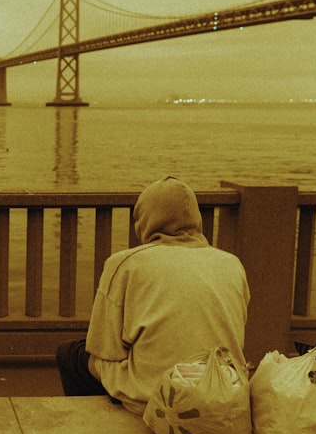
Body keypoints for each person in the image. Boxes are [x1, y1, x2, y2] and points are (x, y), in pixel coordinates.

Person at [56, 176, 250, 413]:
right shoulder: (231, 263)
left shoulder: (126, 264)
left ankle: (97, 423)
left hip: (154, 397)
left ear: (145, 221)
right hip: (221, 393)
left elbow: (106, 349)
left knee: (71, 354)